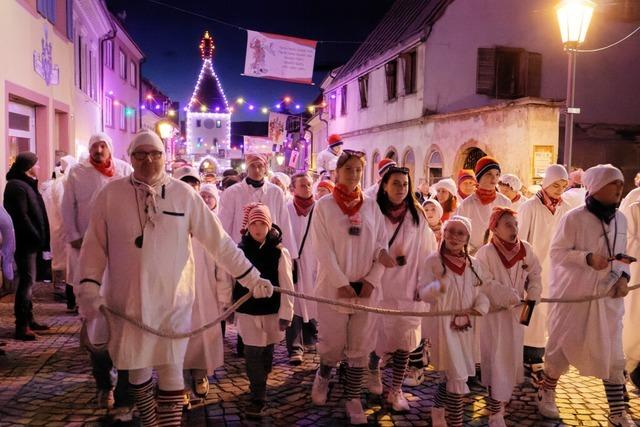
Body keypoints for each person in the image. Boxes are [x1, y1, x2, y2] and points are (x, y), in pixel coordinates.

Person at [76, 130, 275, 426]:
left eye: (154, 154)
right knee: (139, 368)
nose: (148, 160)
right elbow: (94, 246)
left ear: (164, 157)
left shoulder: (185, 195)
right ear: (130, 158)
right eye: (140, 155)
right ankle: (150, 421)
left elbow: (219, 242)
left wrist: (251, 277)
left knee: (171, 368)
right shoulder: (110, 195)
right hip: (128, 303)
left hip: (173, 301)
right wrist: (89, 286)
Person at [537, 164, 634, 426]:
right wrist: (587, 258)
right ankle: (547, 392)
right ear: (597, 186)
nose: (619, 188)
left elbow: (623, 255)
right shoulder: (574, 218)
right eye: (613, 183)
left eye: (620, 183)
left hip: (607, 301)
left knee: (613, 354)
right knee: (561, 348)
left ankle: (616, 411)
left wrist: (624, 277)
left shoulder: (621, 219)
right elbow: (557, 253)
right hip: (575, 299)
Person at [310, 149, 388, 425]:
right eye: (348, 169)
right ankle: (323, 375)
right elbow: (322, 249)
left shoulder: (371, 206)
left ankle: (353, 397)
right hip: (334, 288)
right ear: (336, 172)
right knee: (332, 342)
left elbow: (382, 245)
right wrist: (341, 283)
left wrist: (371, 279)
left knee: (360, 346)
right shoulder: (324, 206)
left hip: (365, 289)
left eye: (358, 169)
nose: (353, 174)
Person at [61, 133, 133, 409]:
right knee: (95, 321)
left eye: (103, 146)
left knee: (126, 319)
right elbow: (67, 206)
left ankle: (126, 387)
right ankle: (104, 382)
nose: (99, 150)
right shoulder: (77, 173)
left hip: (122, 251)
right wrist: (74, 235)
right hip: (89, 250)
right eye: (95, 146)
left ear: (110, 149)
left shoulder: (124, 171)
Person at [369, 166, 437, 411]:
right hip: (379, 287)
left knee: (404, 343)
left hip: (408, 286)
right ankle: (373, 371)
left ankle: (396, 389)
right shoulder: (373, 211)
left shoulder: (416, 215)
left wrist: (425, 283)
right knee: (376, 337)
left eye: (405, 184)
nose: (401, 189)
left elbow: (428, 252)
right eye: (396, 183)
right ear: (384, 186)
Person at [418, 216, 490, 427]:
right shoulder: (433, 261)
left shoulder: (474, 264)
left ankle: (438, 409)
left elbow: (482, 292)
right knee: (457, 375)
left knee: (452, 375)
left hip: (467, 327)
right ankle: (456, 421)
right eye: (450, 231)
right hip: (443, 327)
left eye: (460, 233)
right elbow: (423, 293)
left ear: (467, 238)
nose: (454, 237)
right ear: (443, 233)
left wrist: (481, 306)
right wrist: (437, 288)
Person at [475, 208, 542, 426]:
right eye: (507, 225)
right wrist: (510, 297)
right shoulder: (486, 253)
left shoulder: (526, 249)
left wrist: (531, 298)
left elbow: (535, 274)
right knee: (495, 360)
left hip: (516, 316)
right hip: (494, 318)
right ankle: (495, 413)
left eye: (515, 224)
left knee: (511, 359)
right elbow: (484, 281)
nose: (514, 229)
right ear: (494, 228)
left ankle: (499, 403)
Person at [231, 203, 294, 417]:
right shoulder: (239, 251)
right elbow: (232, 282)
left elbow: (287, 284)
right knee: (252, 352)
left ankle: (261, 381)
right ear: (247, 226)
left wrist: (286, 313)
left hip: (271, 311)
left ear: (269, 225)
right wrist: (230, 306)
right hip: (248, 311)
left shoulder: (279, 252)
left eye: (262, 224)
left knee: (267, 351)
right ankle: (258, 395)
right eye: (253, 223)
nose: (258, 228)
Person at [517, 164, 571, 382]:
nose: (559, 189)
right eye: (555, 184)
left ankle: (540, 356)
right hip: (534, 269)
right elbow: (521, 239)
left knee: (548, 314)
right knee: (529, 312)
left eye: (563, 185)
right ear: (546, 183)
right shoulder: (530, 206)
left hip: (556, 271)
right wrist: (524, 268)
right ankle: (525, 354)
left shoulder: (566, 208)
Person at [3, 152, 51, 341]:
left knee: (29, 281)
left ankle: (29, 320)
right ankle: (21, 326)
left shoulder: (25, 184)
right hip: (25, 243)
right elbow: (21, 217)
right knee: (26, 282)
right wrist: (36, 235)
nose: (38, 167)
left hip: (30, 241)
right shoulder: (16, 186)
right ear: (27, 166)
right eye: (35, 164)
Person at [285, 172, 318, 365]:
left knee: (314, 300)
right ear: (293, 189)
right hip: (295, 263)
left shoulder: (320, 208)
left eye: (309, 185)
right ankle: (295, 347)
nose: (307, 188)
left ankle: (312, 339)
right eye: (303, 185)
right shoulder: (287, 208)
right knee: (294, 303)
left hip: (315, 262)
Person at [456, 156, 511, 254]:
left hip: (498, 255)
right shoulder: (466, 205)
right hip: (474, 257)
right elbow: (459, 233)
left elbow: (510, 229)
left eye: (497, 174)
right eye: (489, 174)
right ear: (479, 177)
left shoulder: (505, 202)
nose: (494, 178)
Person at [42, 155, 76, 304]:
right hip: (65, 229)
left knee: (68, 265)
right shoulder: (62, 184)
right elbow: (65, 207)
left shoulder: (54, 183)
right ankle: (70, 298)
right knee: (71, 266)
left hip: (58, 227)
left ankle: (68, 295)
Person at [622, 200, 640, 389]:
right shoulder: (635, 208)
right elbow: (629, 242)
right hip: (637, 276)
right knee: (634, 324)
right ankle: (624, 371)